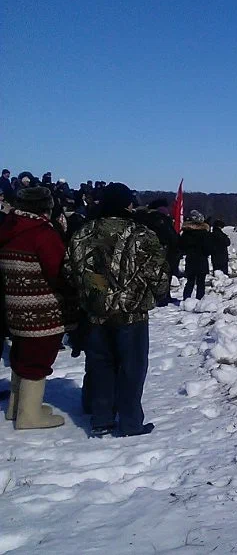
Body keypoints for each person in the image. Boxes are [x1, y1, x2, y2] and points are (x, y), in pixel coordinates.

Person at [63, 182, 168, 437]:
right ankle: (131, 423)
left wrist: (95, 290)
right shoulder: (141, 234)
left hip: (95, 311)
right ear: (126, 204)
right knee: (132, 368)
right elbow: (158, 274)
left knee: (100, 364)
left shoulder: (83, 232)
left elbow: (69, 271)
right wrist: (154, 294)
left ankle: (101, 418)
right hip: (131, 312)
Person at [0, 187, 78, 430]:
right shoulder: (42, 233)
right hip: (41, 309)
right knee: (38, 358)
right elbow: (58, 271)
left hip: (15, 306)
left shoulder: (8, 228)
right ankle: (30, 415)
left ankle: (17, 407)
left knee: (21, 355)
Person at [134, 199, 179, 306]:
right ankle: (163, 297)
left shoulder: (143, 218)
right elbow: (171, 236)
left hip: (145, 250)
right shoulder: (163, 220)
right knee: (164, 274)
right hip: (164, 250)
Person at [179, 210, 213, 300]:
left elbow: (181, 246)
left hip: (190, 259)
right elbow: (209, 248)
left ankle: (186, 299)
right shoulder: (205, 233)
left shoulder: (186, 233)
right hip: (202, 259)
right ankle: (200, 300)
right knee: (201, 282)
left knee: (190, 281)